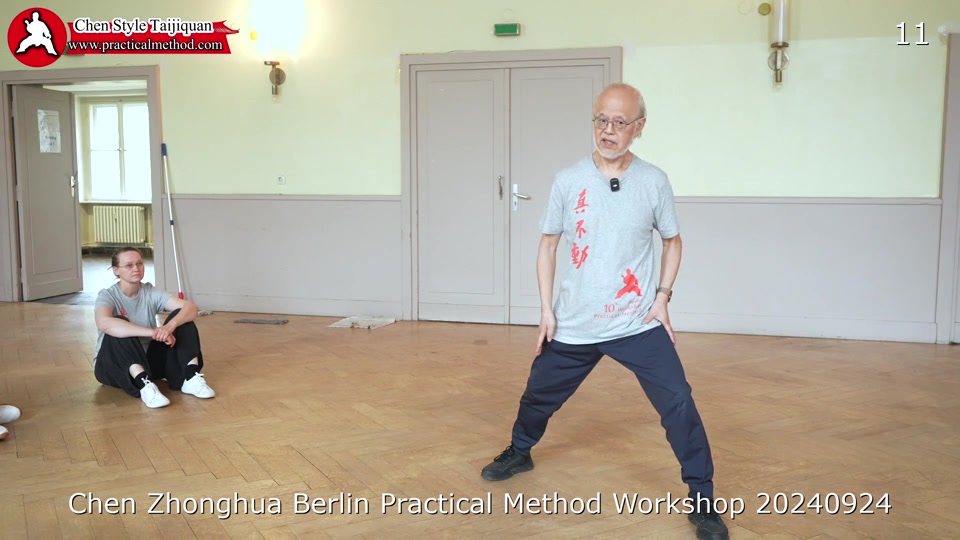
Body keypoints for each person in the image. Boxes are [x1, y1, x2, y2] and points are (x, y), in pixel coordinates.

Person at [480, 83, 728, 540]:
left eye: (619, 122)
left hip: (636, 322)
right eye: (601, 120)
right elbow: (548, 245)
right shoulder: (568, 180)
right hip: (575, 322)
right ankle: (520, 450)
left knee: (679, 402)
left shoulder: (653, 181)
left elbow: (673, 241)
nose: (608, 130)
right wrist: (546, 310)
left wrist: (662, 296)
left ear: (639, 127)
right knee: (537, 395)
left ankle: (702, 498)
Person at [93, 247, 215, 408]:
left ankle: (191, 377)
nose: (136, 268)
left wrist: (169, 327)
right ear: (116, 270)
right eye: (129, 265)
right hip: (113, 365)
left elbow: (191, 308)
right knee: (118, 324)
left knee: (182, 318)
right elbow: (104, 323)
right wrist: (153, 332)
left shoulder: (149, 291)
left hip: (148, 361)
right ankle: (144, 385)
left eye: (139, 263)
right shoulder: (107, 295)